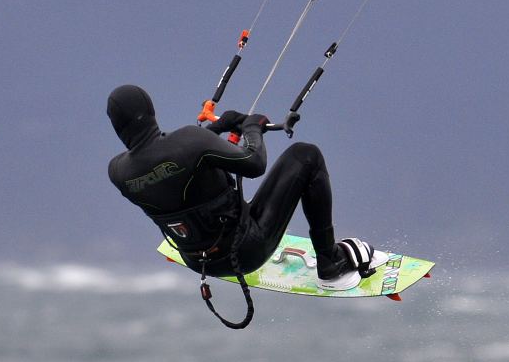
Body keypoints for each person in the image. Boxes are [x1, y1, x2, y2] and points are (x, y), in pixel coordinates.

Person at [106, 84, 385, 290]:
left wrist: (214, 131)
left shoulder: (118, 171)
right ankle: (330, 261)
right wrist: (253, 127)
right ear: (150, 112)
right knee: (306, 155)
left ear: (117, 126)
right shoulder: (190, 141)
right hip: (247, 249)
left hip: (197, 259)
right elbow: (253, 163)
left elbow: (173, 164)